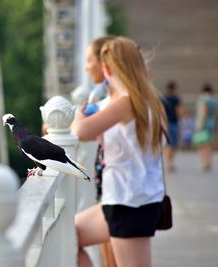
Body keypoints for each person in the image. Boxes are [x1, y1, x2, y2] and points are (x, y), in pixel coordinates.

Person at [71, 36, 166, 267]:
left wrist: (79, 115)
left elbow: (80, 131)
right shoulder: (146, 100)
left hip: (130, 203)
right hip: (126, 200)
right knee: (67, 236)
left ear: (106, 68)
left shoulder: (126, 103)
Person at [81, 35, 117, 267]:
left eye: (89, 60)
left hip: (115, 182)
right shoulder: (106, 91)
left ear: (104, 61)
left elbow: (83, 123)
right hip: (109, 175)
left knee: (113, 250)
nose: (86, 66)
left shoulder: (106, 92)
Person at [194, 83, 218, 172]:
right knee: (208, 144)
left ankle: (204, 162)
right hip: (211, 123)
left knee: (202, 144)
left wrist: (200, 125)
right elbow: (216, 114)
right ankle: (210, 161)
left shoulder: (204, 100)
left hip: (203, 124)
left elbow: (203, 113)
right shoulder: (214, 101)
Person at [161, 81, 183, 171]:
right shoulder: (176, 99)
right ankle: (171, 162)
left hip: (165, 122)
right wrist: (182, 121)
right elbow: (179, 111)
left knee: (168, 143)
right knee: (173, 143)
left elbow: (160, 111)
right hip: (174, 122)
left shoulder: (162, 98)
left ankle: (168, 162)